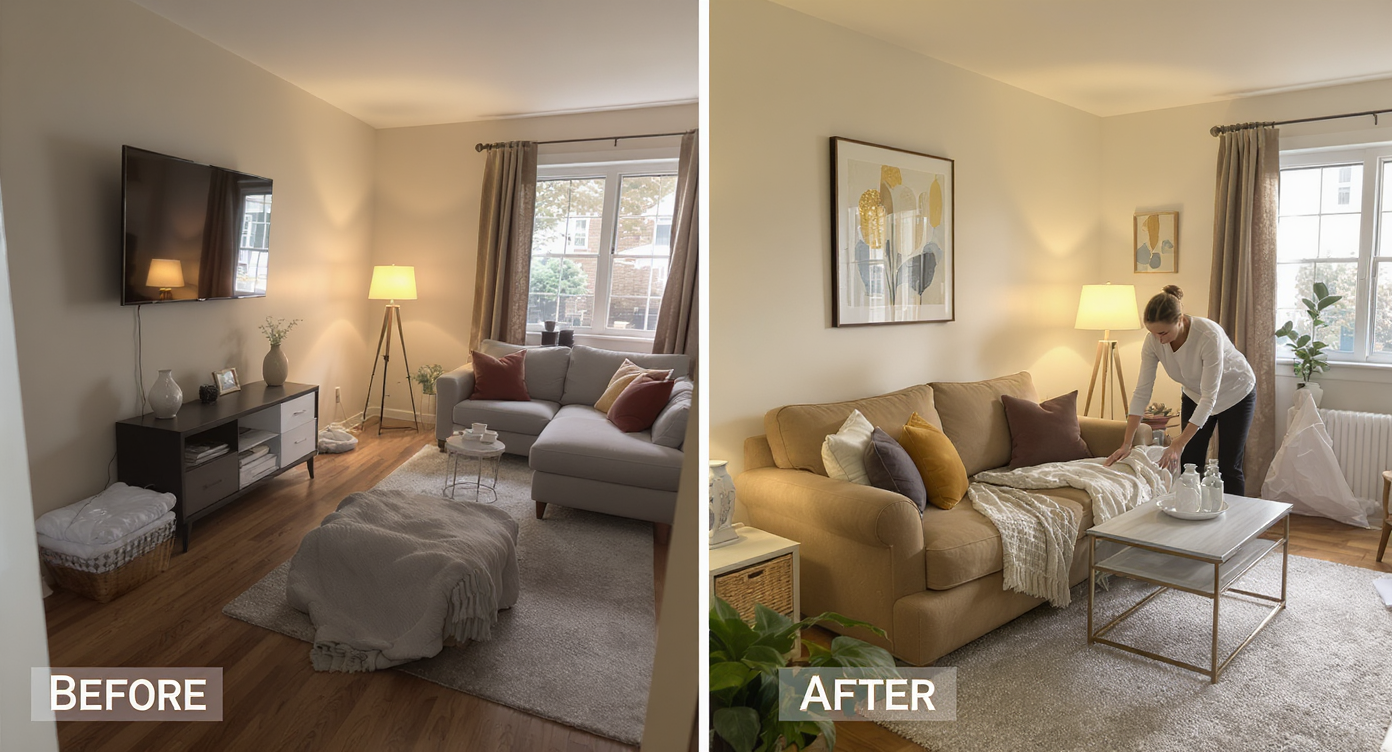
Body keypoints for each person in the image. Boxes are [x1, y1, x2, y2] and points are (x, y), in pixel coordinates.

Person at [1104, 285, 1256, 495]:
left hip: (1236, 393)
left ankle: (1237, 526)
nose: (1159, 339)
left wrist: (1178, 441)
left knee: (1228, 467)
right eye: (1153, 333)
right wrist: (1126, 443)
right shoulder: (1154, 341)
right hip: (1195, 394)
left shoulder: (1208, 335)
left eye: (1163, 333)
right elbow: (1142, 392)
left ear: (1180, 320)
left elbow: (1209, 397)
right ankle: (1193, 519)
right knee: (1189, 462)